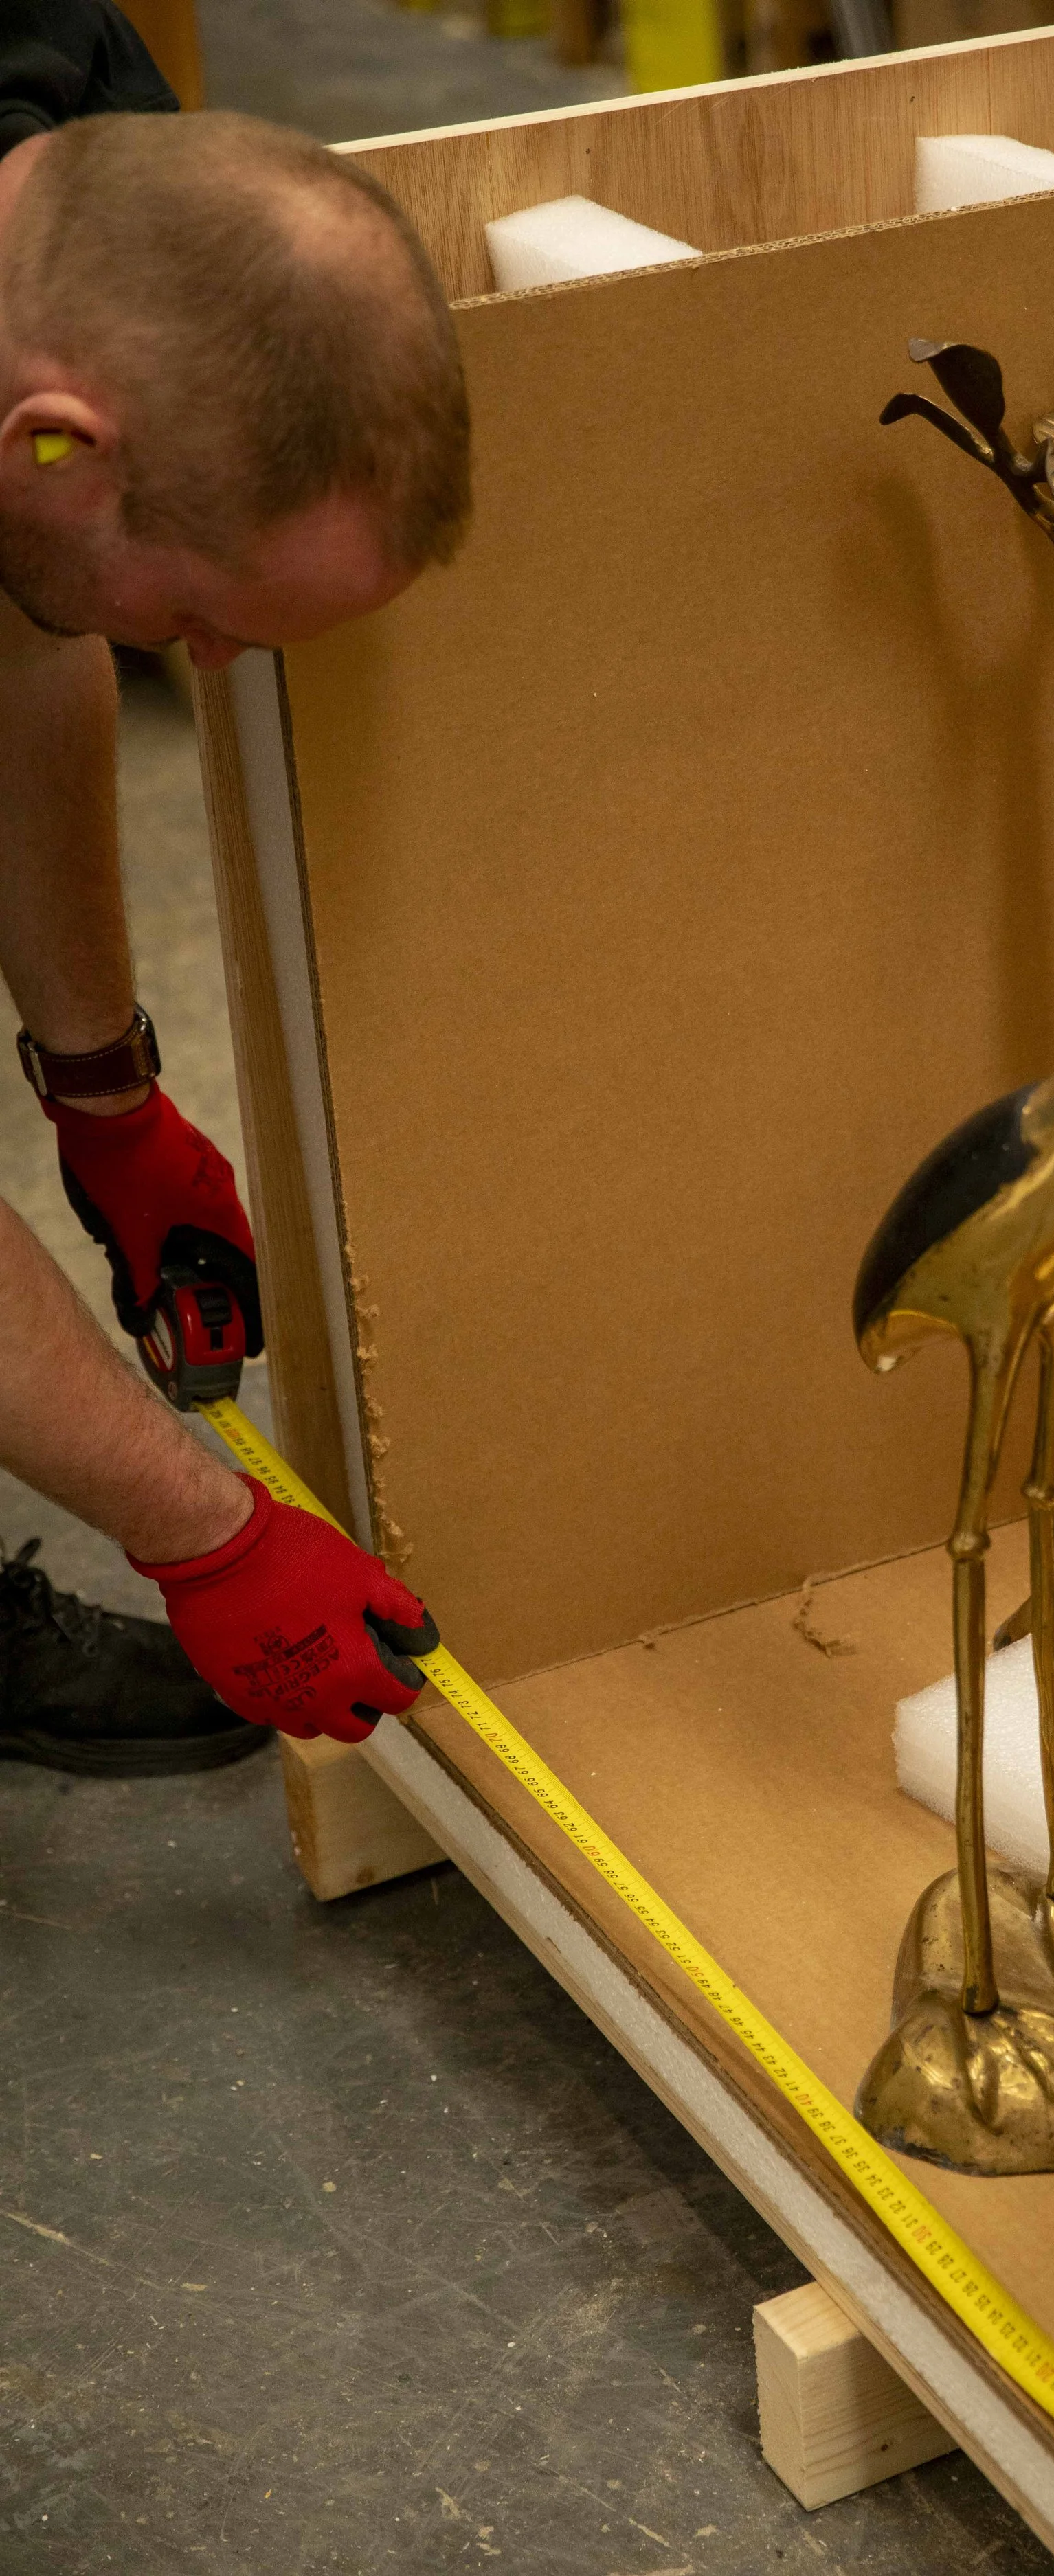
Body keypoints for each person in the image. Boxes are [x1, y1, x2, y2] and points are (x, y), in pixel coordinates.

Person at [0, 58, 472, 1774]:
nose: (206, 668)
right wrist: (204, 1531)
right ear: (59, 443)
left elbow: (27, 617)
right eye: (200, 617)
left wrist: (104, 1094)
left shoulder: (74, 117)